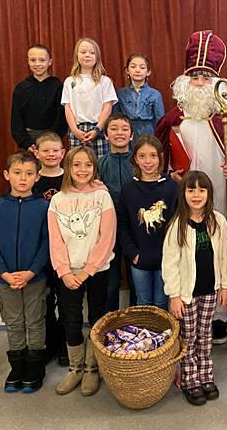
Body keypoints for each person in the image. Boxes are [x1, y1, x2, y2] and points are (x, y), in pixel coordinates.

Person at [155, 30, 227, 344]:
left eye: (205, 77)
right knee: (184, 252)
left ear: (216, 82)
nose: (199, 82)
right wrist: (169, 172)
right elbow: (157, 155)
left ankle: (220, 317)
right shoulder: (173, 119)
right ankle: (185, 312)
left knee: (217, 250)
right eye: (194, 77)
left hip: (218, 198)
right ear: (185, 80)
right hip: (184, 198)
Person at [48, 146, 116, 397]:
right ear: (67, 167)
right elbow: (55, 240)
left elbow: (107, 238)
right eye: (76, 164)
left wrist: (88, 270)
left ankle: (92, 368)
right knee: (71, 318)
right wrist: (64, 271)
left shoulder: (102, 197)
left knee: (97, 316)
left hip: (97, 270)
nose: (82, 169)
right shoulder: (57, 200)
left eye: (88, 164)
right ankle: (75, 368)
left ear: (94, 168)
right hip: (68, 271)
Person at [162, 171, 227, 405]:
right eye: (191, 190)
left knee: (205, 334)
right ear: (183, 194)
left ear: (209, 194)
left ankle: (205, 376)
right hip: (186, 295)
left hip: (210, 290)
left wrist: (225, 286)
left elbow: (225, 256)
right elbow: (170, 263)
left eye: (202, 190)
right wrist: (174, 295)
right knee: (189, 336)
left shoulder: (218, 221)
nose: (197, 195)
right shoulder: (177, 225)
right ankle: (190, 379)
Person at [0, 151, 49, 393]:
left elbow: (47, 243)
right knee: (13, 322)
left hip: (34, 278)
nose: (23, 178)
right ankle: (17, 367)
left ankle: (35, 367)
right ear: (6, 175)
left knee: (34, 321)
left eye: (29, 173)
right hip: (6, 279)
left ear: (37, 177)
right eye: (17, 173)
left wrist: (31, 272)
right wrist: (3, 273)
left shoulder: (43, 207)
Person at [118, 135, 178, 309]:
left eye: (153, 155)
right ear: (135, 159)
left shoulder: (172, 187)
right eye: (142, 156)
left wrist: (172, 254)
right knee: (143, 303)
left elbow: (178, 223)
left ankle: (162, 329)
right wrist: (133, 253)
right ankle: (145, 329)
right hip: (140, 259)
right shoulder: (128, 189)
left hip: (166, 259)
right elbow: (122, 224)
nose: (148, 161)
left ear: (160, 157)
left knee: (161, 303)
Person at [32, 131, 68, 366]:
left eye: (55, 150)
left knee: (65, 301)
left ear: (63, 153)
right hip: (40, 250)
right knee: (45, 300)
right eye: (46, 150)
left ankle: (65, 345)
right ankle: (49, 343)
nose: (51, 154)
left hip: (65, 250)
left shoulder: (71, 178)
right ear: (36, 153)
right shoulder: (32, 180)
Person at [98, 113, 136, 310]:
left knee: (135, 278)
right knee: (111, 281)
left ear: (131, 135)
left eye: (124, 129)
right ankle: (110, 322)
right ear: (106, 135)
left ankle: (137, 320)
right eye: (113, 129)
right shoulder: (100, 164)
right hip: (109, 228)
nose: (119, 133)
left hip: (134, 227)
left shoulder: (139, 163)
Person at [61, 37, 117, 158]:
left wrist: (97, 129)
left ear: (97, 57)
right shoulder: (70, 81)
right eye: (83, 52)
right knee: (78, 163)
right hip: (77, 129)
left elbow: (107, 107)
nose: (87, 55)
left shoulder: (104, 81)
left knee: (100, 165)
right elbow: (67, 108)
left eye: (92, 53)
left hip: (98, 128)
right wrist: (75, 130)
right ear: (76, 56)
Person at [11, 44, 66, 152]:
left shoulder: (58, 86)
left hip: (51, 139)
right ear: (28, 61)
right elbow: (16, 120)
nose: (37, 64)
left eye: (42, 60)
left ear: (50, 62)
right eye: (33, 60)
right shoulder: (21, 88)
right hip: (28, 140)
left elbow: (61, 118)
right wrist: (26, 143)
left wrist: (50, 140)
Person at [113, 53, 164, 137]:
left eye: (142, 67)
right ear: (127, 70)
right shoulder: (120, 93)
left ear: (148, 72)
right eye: (133, 67)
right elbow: (115, 118)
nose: (137, 70)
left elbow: (160, 121)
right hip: (127, 133)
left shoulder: (155, 94)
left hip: (148, 134)